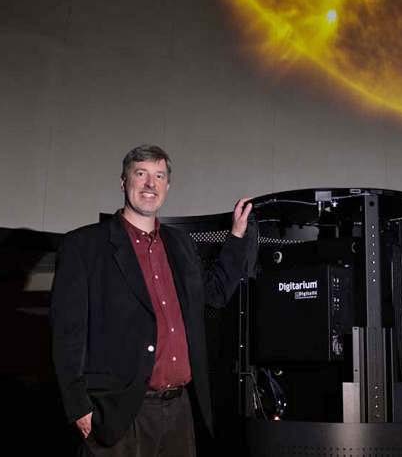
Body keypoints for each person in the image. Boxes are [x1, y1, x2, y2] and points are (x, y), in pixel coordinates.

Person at [50, 144, 252, 456]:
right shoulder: (84, 245)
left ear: (167, 186)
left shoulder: (181, 244)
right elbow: (67, 335)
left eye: (159, 176)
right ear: (123, 182)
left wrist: (237, 237)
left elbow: (215, 294)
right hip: (118, 412)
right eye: (141, 174)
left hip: (179, 411)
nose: (150, 184)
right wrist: (78, 408)